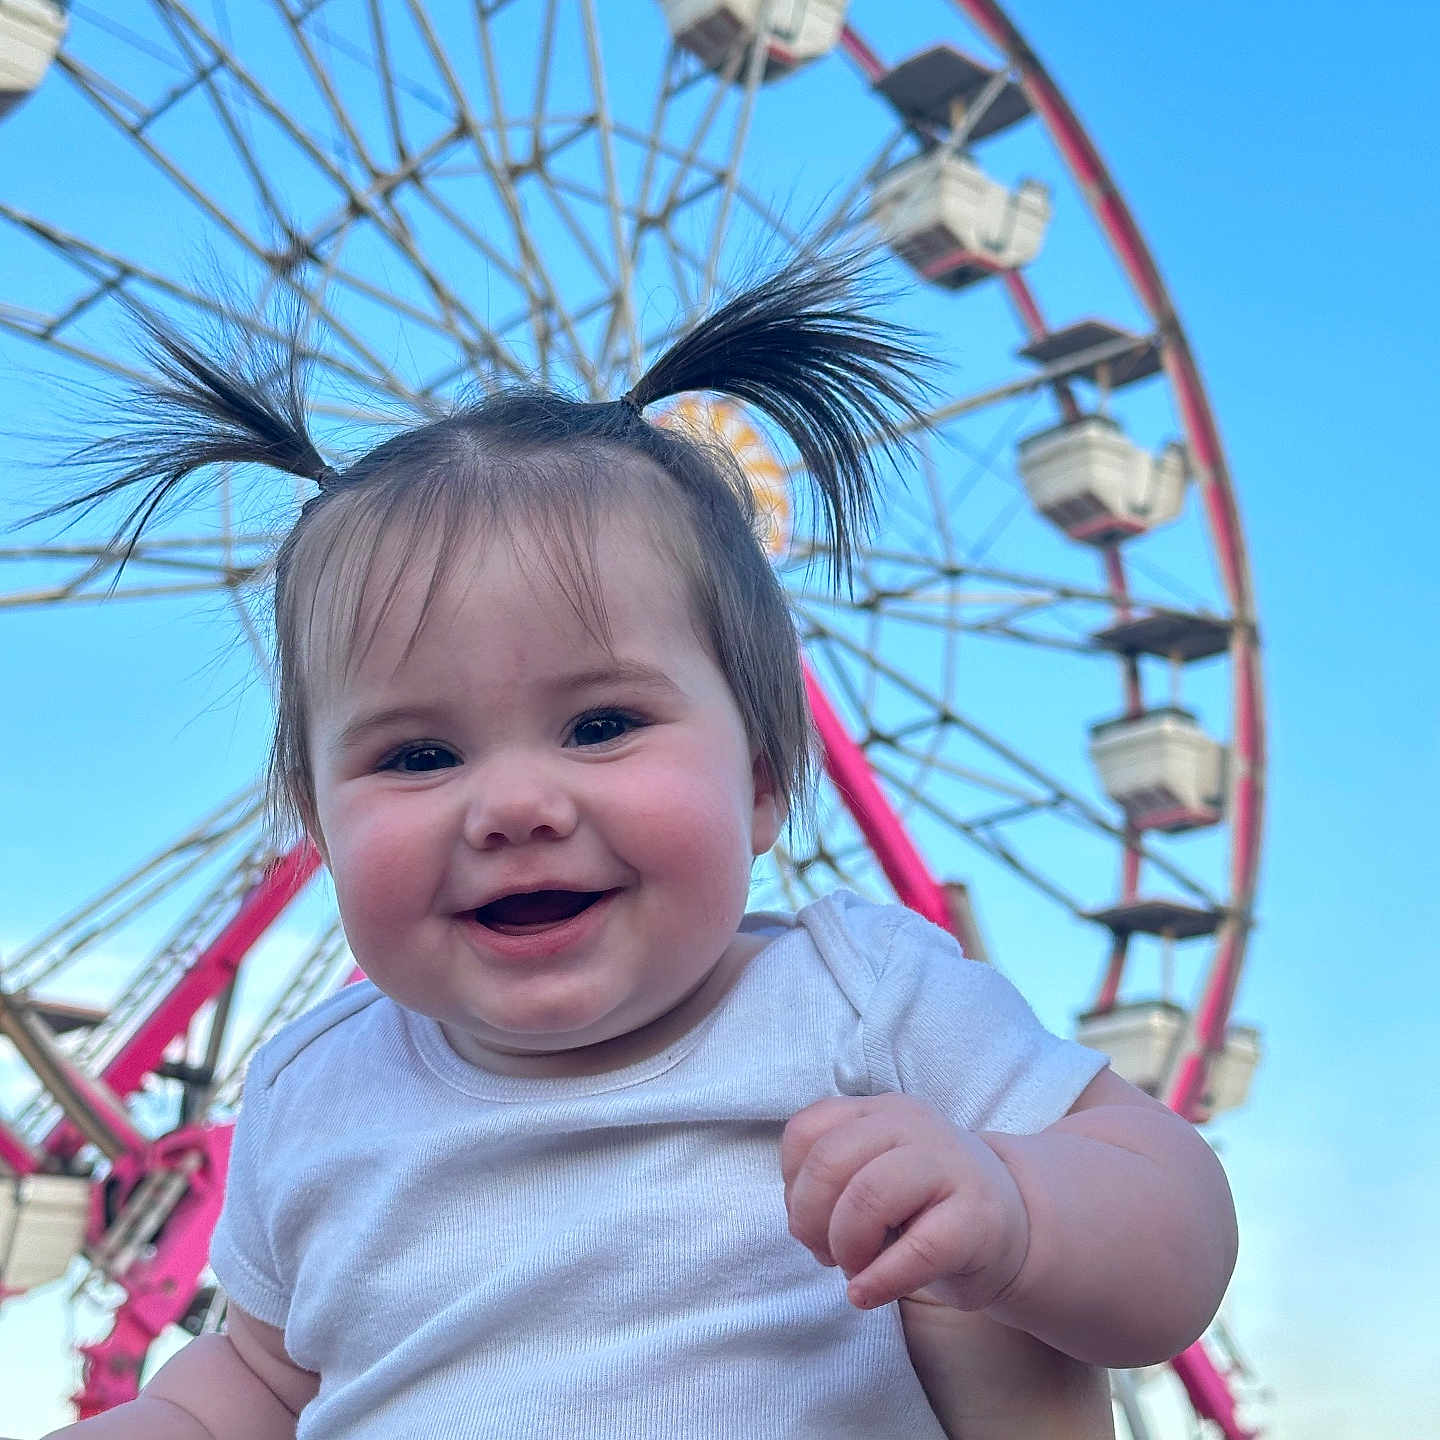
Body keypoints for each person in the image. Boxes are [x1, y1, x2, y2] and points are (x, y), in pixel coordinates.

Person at [40, 252, 1236, 1440]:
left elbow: (1174, 1218)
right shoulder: (312, 1088)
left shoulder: (860, 1002)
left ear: (762, 778)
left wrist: (1018, 1212)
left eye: (601, 726)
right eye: (418, 755)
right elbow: (255, 1380)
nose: (513, 805)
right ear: (318, 825)